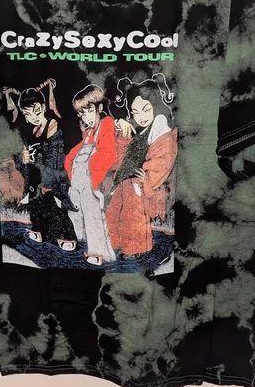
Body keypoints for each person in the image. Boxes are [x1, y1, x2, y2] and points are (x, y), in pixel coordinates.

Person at [105, 73, 178, 257]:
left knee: (133, 215)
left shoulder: (162, 132)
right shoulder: (138, 130)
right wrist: (122, 134)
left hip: (141, 183)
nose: (141, 117)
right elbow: (119, 159)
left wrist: (147, 179)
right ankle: (113, 244)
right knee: (113, 212)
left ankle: (134, 250)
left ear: (156, 105)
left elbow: (163, 160)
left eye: (146, 109)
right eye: (135, 112)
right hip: (124, 179)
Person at [2, 79, 76, 249]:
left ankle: (66, 236)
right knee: (36, 205)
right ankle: (39, 229)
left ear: (43, 107)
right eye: (28, 113)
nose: (33, 116)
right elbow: (22, 160)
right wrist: (23, 159)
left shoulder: (52, 126)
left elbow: (56, 158)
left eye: (36, 111)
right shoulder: (31, 131)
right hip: (35, 179)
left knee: (53, 207)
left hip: (52, 177)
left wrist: (45, 176)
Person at [64, 85, 118, 264]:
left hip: (92, 180)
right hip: (78, 180)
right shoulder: (88, 132)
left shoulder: (107, 124)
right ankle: (80, 242)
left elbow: (108, 154)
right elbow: (79, 150)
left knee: (93, 215)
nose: (85, 117)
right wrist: (70, 162)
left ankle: (100, 254)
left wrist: (94, 180)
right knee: (75, 211)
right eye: (81, 113)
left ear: (99, 108)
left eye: (88, 111)